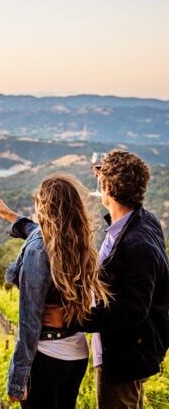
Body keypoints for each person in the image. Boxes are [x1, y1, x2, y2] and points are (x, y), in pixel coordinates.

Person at [0, 173, 110, 408]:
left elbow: (29, 322)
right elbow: (37, 230)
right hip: (76, 356)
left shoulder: (37, 251)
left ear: (43, 208)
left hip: (46, 357)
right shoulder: (78, 240)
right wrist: (10, 216)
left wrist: (18, 378)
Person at [76, 150, 169, 408]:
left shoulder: (137, 244)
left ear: (107, 187)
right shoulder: (143, 220)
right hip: (123, 348)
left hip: (123, 354)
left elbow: (133, 310)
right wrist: (107, 178)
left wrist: (76, 318)